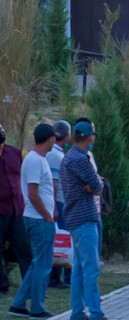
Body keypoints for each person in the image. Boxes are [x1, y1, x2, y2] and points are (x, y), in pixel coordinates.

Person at [8, 123, 56, 319]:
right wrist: (46, 215)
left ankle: (18, 304)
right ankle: (37, 308)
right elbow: (33, 193)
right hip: (38, 219)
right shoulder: (36, 161)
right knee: (43, 264)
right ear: (50, 139)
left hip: (37, 217)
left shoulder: (37, 159)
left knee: (38, 263)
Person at [60, 120, 105, 320]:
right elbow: (97, 184)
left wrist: (93, 186)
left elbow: (93, 185)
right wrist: (94, 185)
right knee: (91, 268)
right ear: (89, 137)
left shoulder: (68, 156)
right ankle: (95, 313)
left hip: (74, 217)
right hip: (85, 216)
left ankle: (77, 313)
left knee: (78, 269)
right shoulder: (80, 158)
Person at [0, 121, 31, 300]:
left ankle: (30, 285)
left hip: (17, 210)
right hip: (0, 211)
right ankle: (2, 286)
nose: (1, 132)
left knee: (24, 248)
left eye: (1, 128)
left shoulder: (14, 153)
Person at [47, 121, 71, 289]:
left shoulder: (59, 153)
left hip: (61, 201)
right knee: (59, 240)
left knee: (61, 239)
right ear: (66, 135)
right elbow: (54, 183)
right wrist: (55, 206)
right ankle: (54, 277)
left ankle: (58, 276)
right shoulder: (55, 155)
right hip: (59, 202)